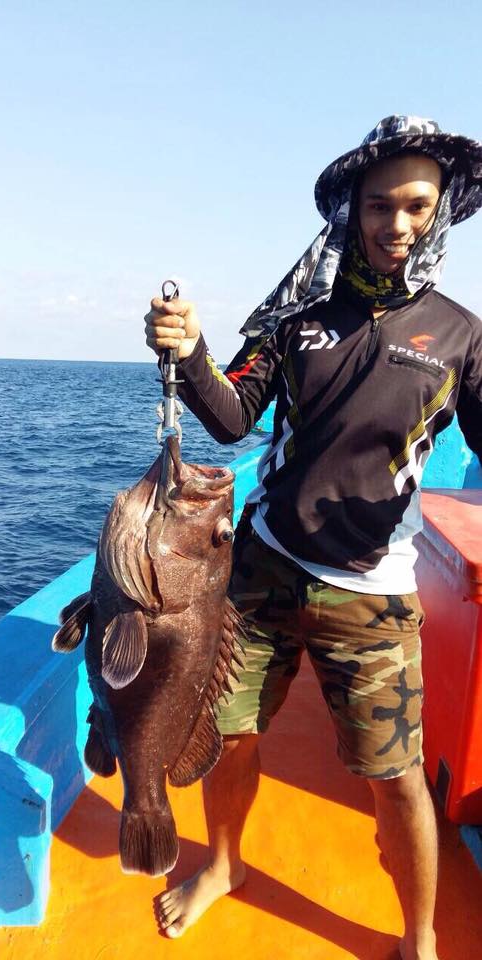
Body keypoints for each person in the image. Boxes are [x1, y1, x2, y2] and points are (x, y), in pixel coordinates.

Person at [143, 116, 482, 960]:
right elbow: (230, 418)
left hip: (373, 595)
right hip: (261, 570)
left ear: (438, 214)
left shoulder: (461, 336)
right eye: (378, 205)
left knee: (396, 779)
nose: (395, 224)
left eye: (415, 206)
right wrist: (189, 354)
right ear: (352, 211)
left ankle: (419, 936)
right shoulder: (299, 316)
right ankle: (225, 865)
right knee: (229, 730)